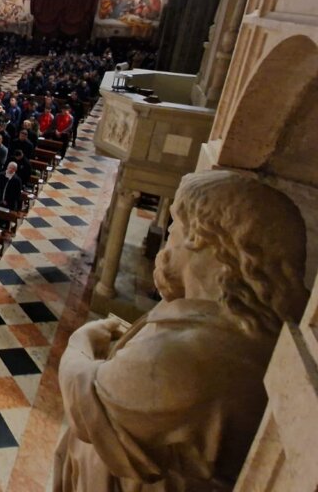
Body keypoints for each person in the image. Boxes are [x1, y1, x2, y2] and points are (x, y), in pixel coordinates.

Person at [54, 171, 309, 492]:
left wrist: (80, 342)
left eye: (174, 224)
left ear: (198, 237)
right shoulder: (235, 332)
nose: (169, 235)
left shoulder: (194, 354)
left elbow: (86, 402)